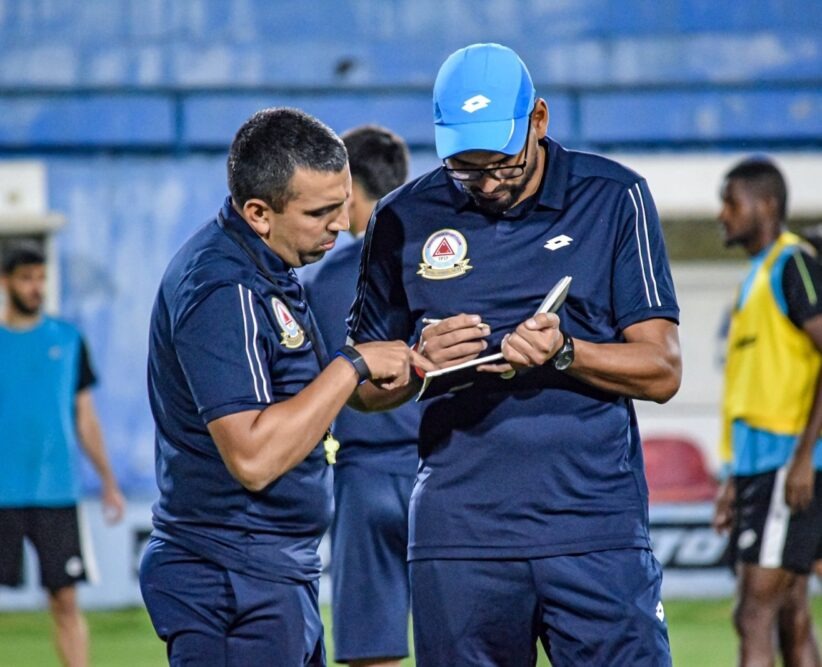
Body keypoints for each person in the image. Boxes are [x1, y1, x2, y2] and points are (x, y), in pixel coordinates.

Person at [345, 43, 682, 666]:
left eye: (502, 162)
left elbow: (663, 370)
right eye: (467, 169)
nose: (489, 183)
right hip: (457, 535)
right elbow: (362, 387)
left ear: (540, 120)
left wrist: (565, 354)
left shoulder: (613, 198)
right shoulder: (401, 218)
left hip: (593, 528)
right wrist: (417, 363)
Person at [139, 107, 425, 666]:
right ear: (259, 212)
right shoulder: (223, 290)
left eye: (343, 204)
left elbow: (334, 397)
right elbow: (253, 455)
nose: (341, 224)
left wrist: (421, 368)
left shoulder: (273, 271)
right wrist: (352, 364)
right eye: (320, 212)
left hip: (271, 571)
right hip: (229, 577)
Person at [304, 125, 417, 667]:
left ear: (349, 191)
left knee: (373, 651)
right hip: (446, 471)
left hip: (363, 475)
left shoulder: (325, 281)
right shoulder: (443, 264)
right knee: (471, 642)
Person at [712, 158, 822, 666]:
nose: (722, 213)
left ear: (768, 205)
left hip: (787, 465)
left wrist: (803, 458)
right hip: (760, 468)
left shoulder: (792, 263)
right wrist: (733, 478)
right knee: (789, 612)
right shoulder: (753, 280)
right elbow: (750, 391)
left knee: (752, 615)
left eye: (732, 201)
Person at [0, 241, 125, 667]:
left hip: (55, 492)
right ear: (6, 282)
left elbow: (85, 418)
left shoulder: (69, 341)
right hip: (2, 493)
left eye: (41, 278)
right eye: (26, 279)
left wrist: (108, 482)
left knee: (67, 602)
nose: (35, 288)